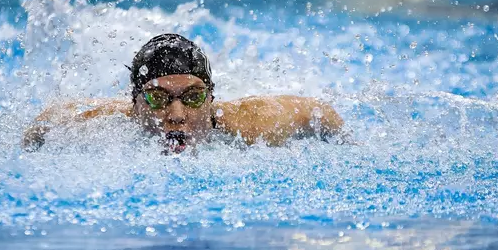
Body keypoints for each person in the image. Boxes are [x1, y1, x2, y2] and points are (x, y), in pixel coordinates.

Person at [23, 33, 345, 153]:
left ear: (211, 100)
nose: (176, 116)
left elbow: (319, 111)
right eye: (157, 98)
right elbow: (49, 119)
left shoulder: (250, 125)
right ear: (133, 104)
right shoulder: (101, 122)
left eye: (192, 97)